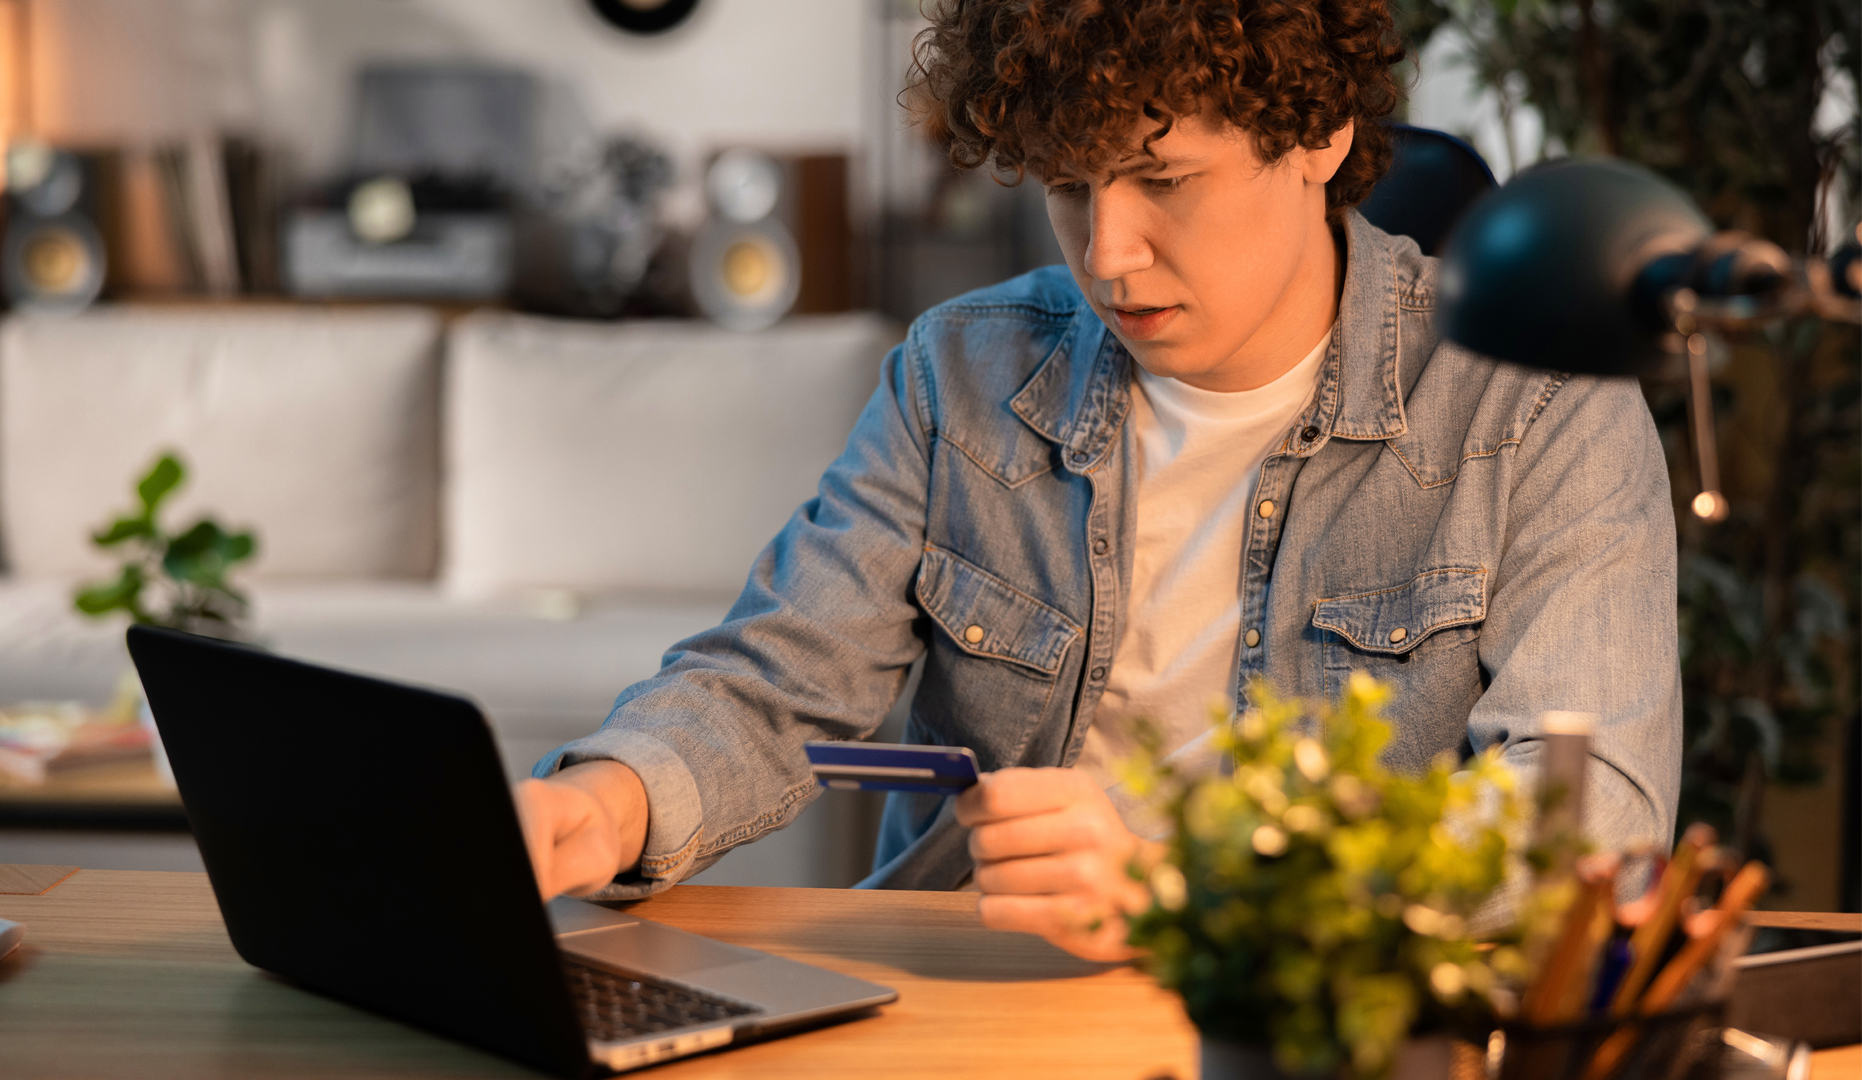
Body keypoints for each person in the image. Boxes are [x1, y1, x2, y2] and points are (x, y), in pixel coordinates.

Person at [513, 0, 1681, 961]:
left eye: (1161, 178)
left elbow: (1588, 823)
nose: (1107, 255)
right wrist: (603, 802)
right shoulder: (958, 373)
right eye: (1068, 188)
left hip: (1329, 1013)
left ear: (1318, 133)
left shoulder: (1538, 398)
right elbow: (774, 680)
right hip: (974, 991)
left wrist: (1200, 882)